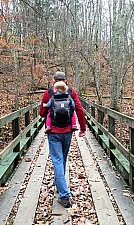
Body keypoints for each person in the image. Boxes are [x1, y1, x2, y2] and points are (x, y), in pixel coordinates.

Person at [39, 71, 86, 208]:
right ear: (65, 80)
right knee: (62, 159)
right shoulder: (71, 92)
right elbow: (79, 109)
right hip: (68, 131)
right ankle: (61, 186)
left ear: (54, 80)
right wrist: (82, 128)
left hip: (53, 132)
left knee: (57, 160)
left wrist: (47, 111)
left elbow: (42, 113)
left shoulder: (49, 92)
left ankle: (64, 196)